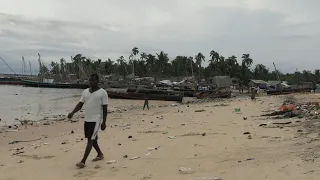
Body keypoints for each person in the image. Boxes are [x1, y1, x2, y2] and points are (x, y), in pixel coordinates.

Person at [68, 74, 108, 168]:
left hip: (96, 120)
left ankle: (83, 161)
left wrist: (104, 122)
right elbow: (80, 104)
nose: (90, 82)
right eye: (89, 80)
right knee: (92, 139)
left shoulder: (103, 93)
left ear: (97, 81)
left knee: (91, 139)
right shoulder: (85, 92)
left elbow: (105, 109)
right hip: (87, 119)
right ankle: (100, 154)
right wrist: (72, 112)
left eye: (93, 80)